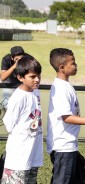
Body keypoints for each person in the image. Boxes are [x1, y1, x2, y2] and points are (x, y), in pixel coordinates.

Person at [46, 48, 85, 184]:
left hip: (69, 144)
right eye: (73, 63)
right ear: (62, 67)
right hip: (63, 146)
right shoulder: (60, 89)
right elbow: (66, 117)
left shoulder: (66, 85)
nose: (76, 65)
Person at [1, 55, 43, 184]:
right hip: (19, 156)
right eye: (32, 77)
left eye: (38, 76)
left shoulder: (35, 92)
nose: (37, 80)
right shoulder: (18, 97)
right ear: (20, 77)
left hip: (33, 153)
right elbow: (9, 124)